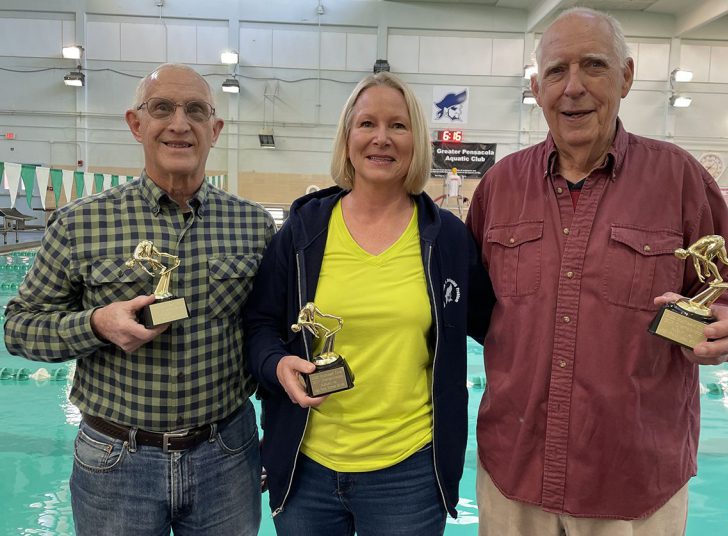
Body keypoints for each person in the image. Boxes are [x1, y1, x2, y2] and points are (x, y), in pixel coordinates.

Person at [466, 7, 728, 535]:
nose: (573, 87)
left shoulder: (680, 179)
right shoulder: (500, 186)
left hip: (634, 482)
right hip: (515, 471)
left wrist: (727, 323)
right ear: (537, 87)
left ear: (626, 76)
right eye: (556, 71)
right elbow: (469, 306)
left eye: (594, 66)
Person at [3, 63, 274, 535]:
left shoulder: (253, 225)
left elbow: (267, 331)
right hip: (116, 462)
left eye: (195, 110)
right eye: (162, 108)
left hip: (227, 456)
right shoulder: (78, 223)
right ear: (136, 124)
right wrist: (96, 325)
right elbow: (19, 327)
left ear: (215, 130)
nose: (178, 123)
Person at [243, 71, 489, 535]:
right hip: (307, 468)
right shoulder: (302, 231)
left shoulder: (448, 240)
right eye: (367, 124)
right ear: (347, 137)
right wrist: (276, 365)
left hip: (410, 473)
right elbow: (258, 324)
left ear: (416, 139)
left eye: (398, 125)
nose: (382, 138)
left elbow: (499, 325)